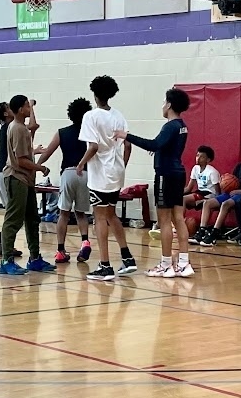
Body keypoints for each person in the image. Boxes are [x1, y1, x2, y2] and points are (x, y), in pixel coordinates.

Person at [123, 88, 194, 278]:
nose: (162, 106)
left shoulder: (170, 126)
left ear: (169, 105)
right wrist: (160, 151)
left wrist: (126, 136)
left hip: (166, 174)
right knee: (178, 218)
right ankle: (184, 263)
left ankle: (165, 264)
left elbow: (154, 144)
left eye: (164, 102)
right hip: (178, 173)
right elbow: (164, 147)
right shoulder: (182, 125)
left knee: (164, 221)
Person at [77, 76, 137, 281]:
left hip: (100, 174)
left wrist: (81, 163)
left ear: (94, 94)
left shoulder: (90, 116)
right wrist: (122, 166)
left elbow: (93, 147)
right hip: (116, 172)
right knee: (112, 215)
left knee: (100, 217)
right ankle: (127, 258)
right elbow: (128, 145)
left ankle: (105, 266)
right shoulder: (119, 115)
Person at [0, 95, 56, 275]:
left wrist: (33, 107)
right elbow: (21, 160)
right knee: (13, 220)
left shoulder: (21, 128)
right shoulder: (16, 129)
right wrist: (41, 167)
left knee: (32, 219)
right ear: (19, 109)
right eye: (26, 106)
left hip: (26, 180)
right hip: (17, 178)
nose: (29, 108)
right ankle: (6, 260)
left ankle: (35, 258)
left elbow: (34, 126)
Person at [36, 97, 93, 264]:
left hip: (68, 174)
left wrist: (38, 165)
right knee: (81, 213)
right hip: (85, 174)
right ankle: (85, 242)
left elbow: (48, 151)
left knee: (63, 214)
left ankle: (60, 250)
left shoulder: (62, 132)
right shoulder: (90, 134)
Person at [0, 100, 38, 257]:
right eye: (8, 108)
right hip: (7, 173)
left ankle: (0, 241)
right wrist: (31, 106)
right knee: (15, 215)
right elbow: (33, 127)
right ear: (5, 113)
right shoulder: (11, 127)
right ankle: (4, 247)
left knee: (17, 214)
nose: (11, 108)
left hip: (6, 173)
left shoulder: (13, 127)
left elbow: (32, 129)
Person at [194, 137, 241, 246]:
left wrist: (240, 190)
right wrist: (224, 182)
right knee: (207, 203)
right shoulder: (239, 166)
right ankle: (202, 231)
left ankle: (214, 234)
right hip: (232, 193)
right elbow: (232, 182)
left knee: (226, 204)